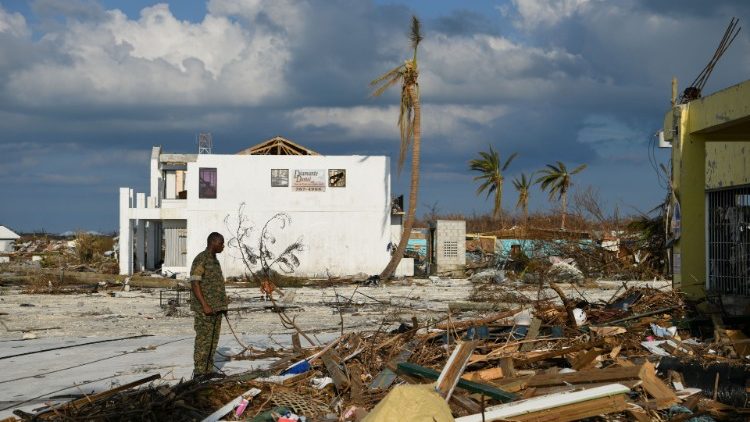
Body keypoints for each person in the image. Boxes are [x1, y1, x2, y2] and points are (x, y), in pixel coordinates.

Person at [189, 232, 228, 376]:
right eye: (221, 243)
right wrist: (204, 305)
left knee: (212, 341)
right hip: (204, 310)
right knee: (203, 341)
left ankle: (208, 371)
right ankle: (199, 373)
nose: (223, 246)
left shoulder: (214, 260)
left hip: (216, 309)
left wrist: (222, 305)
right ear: (214, 242)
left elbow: (215, 285)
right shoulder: (202, 259)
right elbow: (195, 283)